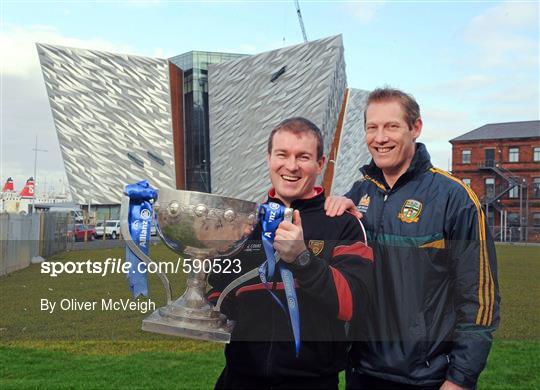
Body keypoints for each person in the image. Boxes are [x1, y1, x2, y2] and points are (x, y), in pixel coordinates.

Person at [325, 88, 500, 389]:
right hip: (362, 371)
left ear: (415, 128)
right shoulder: (357, 195)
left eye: (391, 126)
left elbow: (479, 300)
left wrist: (460, 379)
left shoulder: (454, 198)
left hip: (426, 378)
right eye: (372, 127)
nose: (380, 138)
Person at [208, 117, 374, 389]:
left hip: (311, 382)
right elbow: (219, 288)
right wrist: (210, 310)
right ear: (269, 158)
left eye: (303, 157)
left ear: (320, 164)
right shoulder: (244, 223)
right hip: (239, 378)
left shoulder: (343, 223)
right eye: (282, 154)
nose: (292, 166)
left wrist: (303, 259)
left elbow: (355, 304)